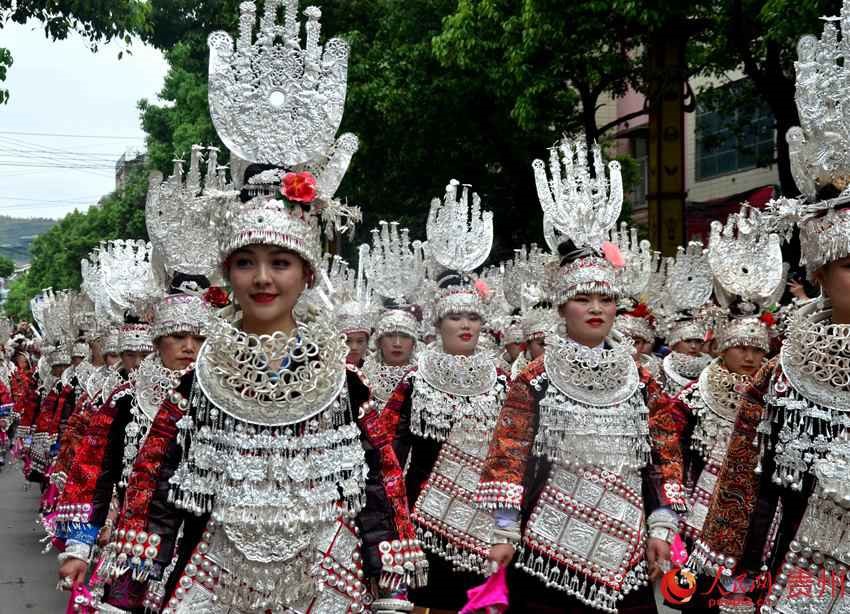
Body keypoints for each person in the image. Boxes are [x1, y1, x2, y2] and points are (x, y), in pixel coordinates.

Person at [477, 136, 685, 613]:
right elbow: (510, 454)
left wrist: (661, 522)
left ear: (618, 307)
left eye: (606, 299)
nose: (596, 308)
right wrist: (505, 528)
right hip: (548, 545)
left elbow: (663, 455)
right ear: (561, 306)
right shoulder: (535, 377)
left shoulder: (641, 378)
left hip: (629, 539)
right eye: (583, 299)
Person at [689, 11, 850, 611]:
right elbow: (748, 495)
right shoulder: (783, 379)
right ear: (815, 273)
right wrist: (736, 580)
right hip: (797, 578)